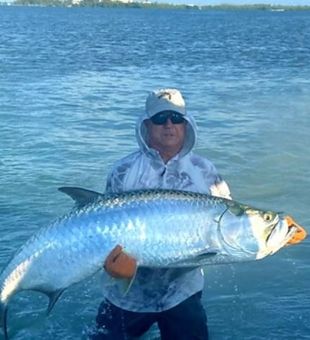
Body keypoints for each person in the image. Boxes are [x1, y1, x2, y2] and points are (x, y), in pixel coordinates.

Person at [91, 88, 231, 340]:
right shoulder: (123, 171)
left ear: (187, 125)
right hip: (126, 294)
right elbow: (102, 228)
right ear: (146, 125)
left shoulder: (205, 171)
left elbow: (226, 224)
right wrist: (112, 267)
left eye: (176, 119)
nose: (169, 125)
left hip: (182, 292)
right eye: (160, 118)